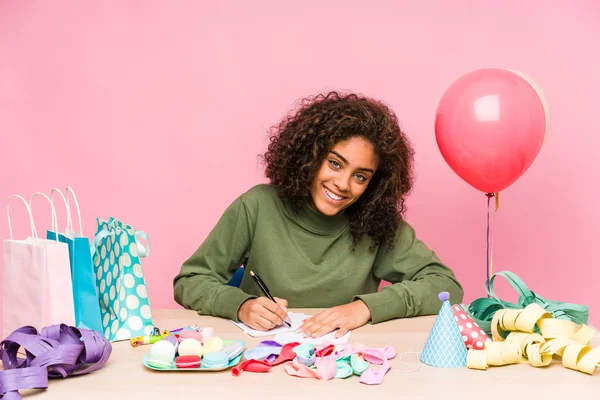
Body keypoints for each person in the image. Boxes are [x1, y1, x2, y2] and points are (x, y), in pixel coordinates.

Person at [173, 91, 463, 339]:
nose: (343, 184)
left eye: (360, 177)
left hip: (343, 367)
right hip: (259, 364)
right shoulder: (257, 206)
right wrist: (241, 305)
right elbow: (191, 280)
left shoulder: (377, 223)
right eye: (335, 164)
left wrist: (365, 308)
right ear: (309, 156)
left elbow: (446, 286)